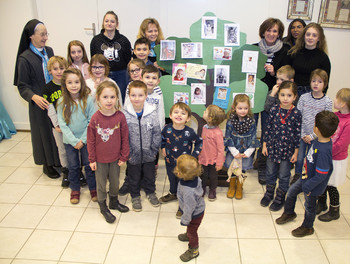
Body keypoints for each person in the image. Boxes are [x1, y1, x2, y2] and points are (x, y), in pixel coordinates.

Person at [275, 111, 339, 237]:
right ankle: (289, 213)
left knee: (309, 207)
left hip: (312, 185)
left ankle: (308, 227)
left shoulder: (323, 151)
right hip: (306, 177)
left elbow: (321, 175)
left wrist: (308, 187)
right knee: (291, 192)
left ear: (317, 128)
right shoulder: (319, 140)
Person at [14, 19, 60, 178]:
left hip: (54, 97)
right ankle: (47, 164)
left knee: (57, 129)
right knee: (44, 132)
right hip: (39, 101)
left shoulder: (49, 51)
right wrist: (34, 97)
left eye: (47, 33)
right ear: (31, 36)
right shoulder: (25, 58)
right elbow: (22, 85)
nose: (46, 37)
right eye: (42, 34)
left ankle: (58, 160)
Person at [87, 81, 129, 223]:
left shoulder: (120, 117)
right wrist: (92, 159)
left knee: (115, 182)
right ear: (98, 98)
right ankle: (103, 206)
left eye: (112, 97)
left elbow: (125, 138)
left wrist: (124, 156)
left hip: (116, 158)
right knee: (100, 184)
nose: (109, 100)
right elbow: (91, 141)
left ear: (117, 98)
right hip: (99, 159)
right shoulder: (95, 119)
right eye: (105, 97)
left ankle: (114, 201)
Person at [254, 18, 289, 186]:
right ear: (263, 31)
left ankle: (262, 165)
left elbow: (288, 76)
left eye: (275, 31)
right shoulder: (253, 49)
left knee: (267, 133)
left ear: (279, 33)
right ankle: (246, 162)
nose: (271, 33)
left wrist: (275, 72)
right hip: (253, 95)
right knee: (250, 130)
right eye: (268, 30)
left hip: (274, 97)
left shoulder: (286, 51)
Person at [56, 68, 97, 204]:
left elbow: (92, 121)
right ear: (65, 84)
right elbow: (62, 124)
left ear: (81, 83)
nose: (74, 85)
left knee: (88, 164)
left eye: (77, 82)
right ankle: (75, 189)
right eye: (70, 82)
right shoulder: (61, 102)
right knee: (73, 166)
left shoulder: (88, 100)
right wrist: (74, 141)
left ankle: (93, 188)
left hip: (86, 140)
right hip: (70, 141)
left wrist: (83, 140)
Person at [261, 81, 301, 211]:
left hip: (287, 151)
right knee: (270, 172)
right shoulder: (274, 109)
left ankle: (280, 196)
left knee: (284, 175)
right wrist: (265, 145)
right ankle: (269, 193)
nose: (285, 98)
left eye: (289, 95)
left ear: (294, 97)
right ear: (278, 95)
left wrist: (296, 153)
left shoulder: (296, 113)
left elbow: (297, 134)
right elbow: (268, 128)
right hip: (272, 148)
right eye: (282, 95)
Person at [122, 80, 162, 212]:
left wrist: (154, 149)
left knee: (150, 176)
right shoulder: (125, 114)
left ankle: (151, 193)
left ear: (146, 96)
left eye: (140, 95)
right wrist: (128, 152)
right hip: (133, 154)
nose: (137, 98)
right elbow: (123, 135)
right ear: (129, 96)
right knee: (133, 177)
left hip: (149, 153)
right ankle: (135, 196)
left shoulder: (152, 112)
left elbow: (157, 132)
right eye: (133, 95)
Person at [291, 69, 332, 185]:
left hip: (317, 137)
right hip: (302, 135)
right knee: (299, 158)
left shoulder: (327, 102)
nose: (316, 84)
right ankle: (298, 175)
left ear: (325, 84)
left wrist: (313, 136)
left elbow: (325, 122)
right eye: (313, 81)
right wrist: (303, 134)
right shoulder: (303, 98)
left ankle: (308, 176)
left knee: (312, 158)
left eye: (319, 82)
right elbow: (297, 116)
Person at [159, 102, 202, 212]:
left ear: (187, 118)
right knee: (172, 179)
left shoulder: (189, 132)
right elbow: (162, 138)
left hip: (184, 166)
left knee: (183, 184)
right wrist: (163, 147)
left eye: (183, 113)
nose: (179, 115)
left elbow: (199, 142)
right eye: (176, 112)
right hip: (169, 162)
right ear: (170, 115)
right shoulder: (166, 128)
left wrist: (193, 157)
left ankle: (182, 204)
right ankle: (173, 193)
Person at [317, 88, 350, 221]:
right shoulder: (335, 116)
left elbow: (342, 144)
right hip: (327, 155)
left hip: (336, 158)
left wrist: (326, 151)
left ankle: (334, 209)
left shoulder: (348, 122)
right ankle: (321, 204)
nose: (334, 100)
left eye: (337, 98)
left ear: (343, 103)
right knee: (323, 181)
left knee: (331, 185)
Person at [90, 11, 132, 102]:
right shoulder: (96, 40)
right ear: (103, 23)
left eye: (112, 21)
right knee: (103, 98)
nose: (109, 23)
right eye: (107, 21)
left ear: (117, 24)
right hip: (102, 74)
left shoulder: (123, 40)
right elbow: (93, 59)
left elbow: (128, 60)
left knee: (120, 97)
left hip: (121, 74)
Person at [225, 94, 260, 199]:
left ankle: (240, 187)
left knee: (243, 169)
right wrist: (234, 152)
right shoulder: (230, 121)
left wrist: (248, 151)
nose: (243, 111)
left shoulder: (252, 121)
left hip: (245, 151)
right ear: (234, 108)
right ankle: (232, 186)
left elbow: (254, 138)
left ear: (249, 108)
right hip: (233, 150)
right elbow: (228, 137)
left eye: (245, 108)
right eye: (240, 108)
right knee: (232, 168)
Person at [42, 56, 69, 187]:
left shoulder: (70, 84)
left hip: (73, 124)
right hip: (58, 126)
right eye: (55, 69)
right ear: (50, 71)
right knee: (62, 149)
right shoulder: (47, 89)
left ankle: (77, 171)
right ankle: (66, 171)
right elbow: (50, 109)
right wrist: (57, 124)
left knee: (76, 149)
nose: (59, 71)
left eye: (62, 68)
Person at [285, 23, 331, 96]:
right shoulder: (293, 53)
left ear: (319, 38)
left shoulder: (323, 58)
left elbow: (325, 83)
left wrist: (319, 98)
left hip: (312, 94)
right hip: (293, 92)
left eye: (314, 35)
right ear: (304, 36)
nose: (310, 37)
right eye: (308, 34)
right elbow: (286, 74)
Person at [174, 154, 205, 262]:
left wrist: (185, 220)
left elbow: (189, 208)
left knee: (193, 231)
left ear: (182, 174)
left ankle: (194, 250)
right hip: (195, 208)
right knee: (191, 230)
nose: (176, 169)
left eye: (178, 168)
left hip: (194, 214)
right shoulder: (193, 177)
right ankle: (188, 234)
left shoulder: (188, 192)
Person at [198, 105, 226, 201]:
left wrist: (219, 163)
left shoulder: (217, 133)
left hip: (214, 160)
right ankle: (202, 188)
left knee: (213, 176)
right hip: (203, 158)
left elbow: (221, 149)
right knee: (203, 175)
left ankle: (212, 190)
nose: (203, 112)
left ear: (210, 118)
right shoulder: (204, 127)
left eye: (205, 111)